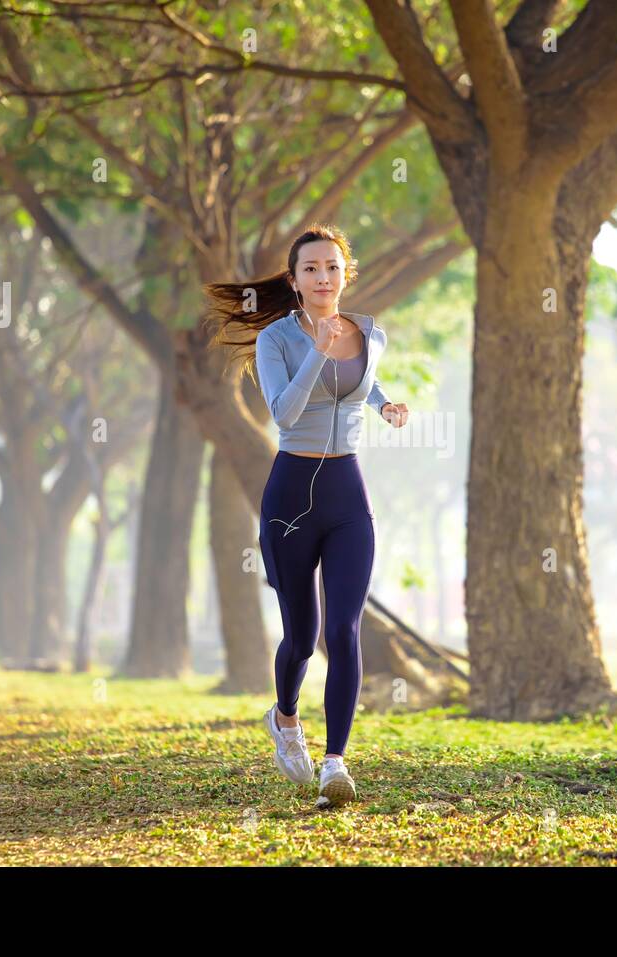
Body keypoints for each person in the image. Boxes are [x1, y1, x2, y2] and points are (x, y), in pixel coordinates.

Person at [204, 223, 409, 806]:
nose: (323, 277)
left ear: (346, 275)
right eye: (311, 269)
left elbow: (361, 382)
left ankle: (335, 764)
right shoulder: (277, 340)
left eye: (332, 267)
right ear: (294, 281)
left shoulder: (370, 334)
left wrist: (384, 404)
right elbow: (285, 414)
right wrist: (316, 352)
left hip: (348, 495)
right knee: (301, 637)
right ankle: (286, 719)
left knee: (343, 630)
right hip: (292, 497)